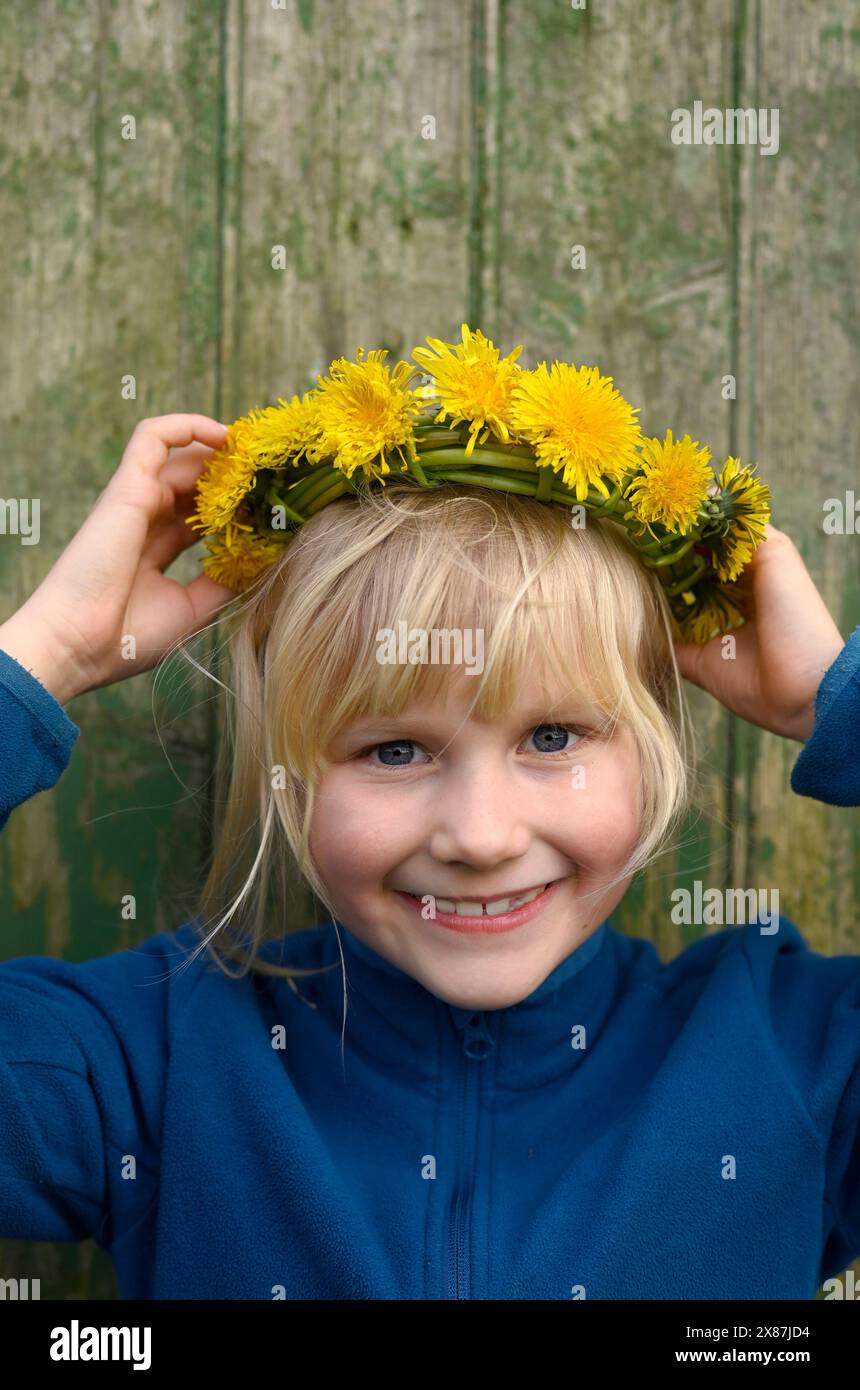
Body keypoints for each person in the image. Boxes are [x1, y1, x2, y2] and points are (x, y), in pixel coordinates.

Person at [0, 413, 857, 1299]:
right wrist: (48, 652)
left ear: (654, 748)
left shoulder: (796, 1060)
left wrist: (838, 700)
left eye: (553, 736)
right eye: (395, 752)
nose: (481, 838)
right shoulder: (154, 1060)